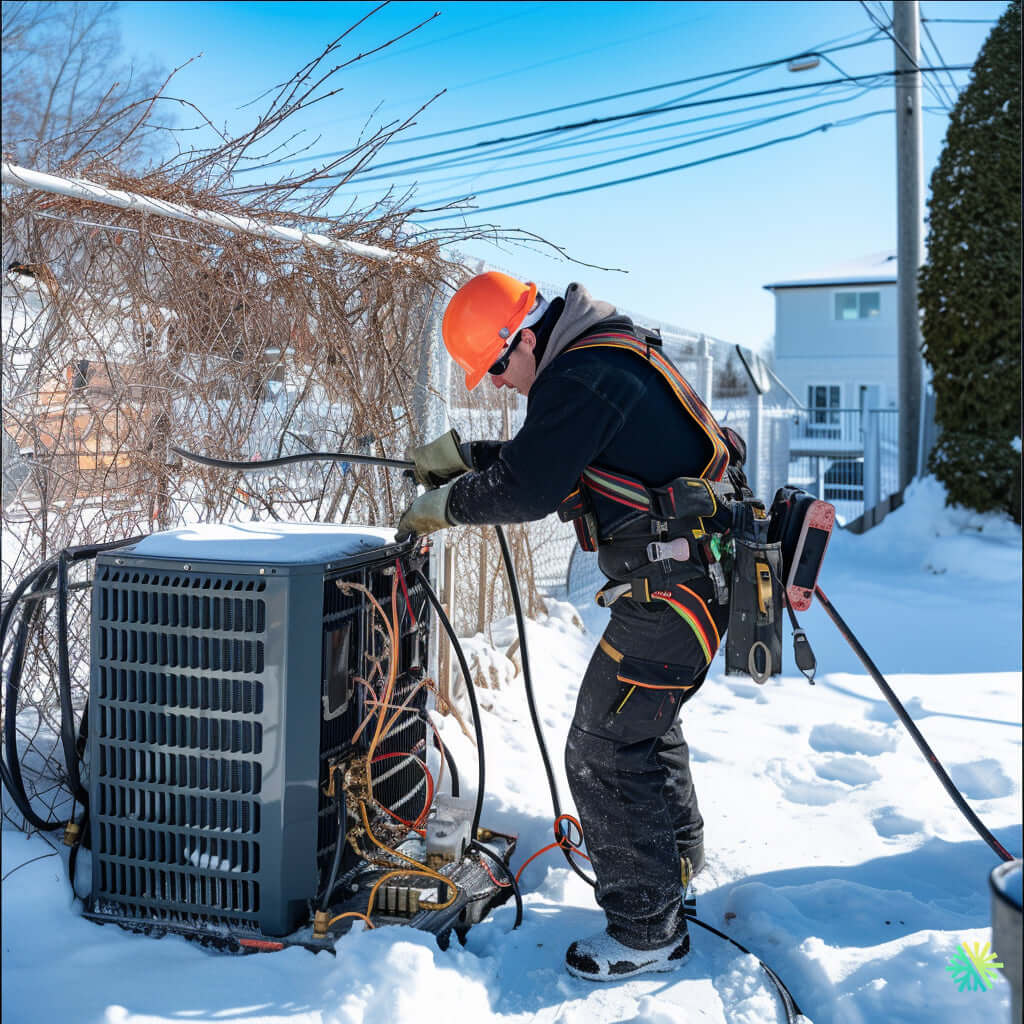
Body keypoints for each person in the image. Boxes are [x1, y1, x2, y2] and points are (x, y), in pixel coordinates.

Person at [397, 270, 743, 982]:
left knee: (603, 747)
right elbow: (550, 460)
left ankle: (648, 929)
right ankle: (669, 869)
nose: (495, 384)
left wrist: (448, 505)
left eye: (495, 367)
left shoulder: (583, 373)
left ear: (523, 337)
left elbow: (528, 488)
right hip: (690, 579)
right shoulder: (599, 359)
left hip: (678, 592)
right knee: (640, 728)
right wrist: (465, 463)